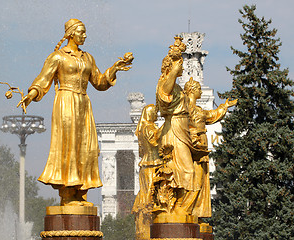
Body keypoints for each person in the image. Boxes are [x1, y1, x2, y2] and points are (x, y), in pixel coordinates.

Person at [18, 19, 133, 206]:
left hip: (84, 104)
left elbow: (100, 83)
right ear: (71, 33)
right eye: (81, 32)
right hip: (65, 102)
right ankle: (67, 193)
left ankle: (80, 192)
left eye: (85, 32)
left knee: (86, 147)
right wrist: (30, 96)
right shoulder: (58, 57)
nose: (85, 35)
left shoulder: (88, 58)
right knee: (68, 145)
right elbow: (43, 80)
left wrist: (114, 68)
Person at [155, 37, 199, 215]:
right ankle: (175, 210)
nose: (182, 67)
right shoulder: (165, 84)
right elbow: (165, 95)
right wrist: (175, 63)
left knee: (184, 172)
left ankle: (178, 209)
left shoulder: (178, 89)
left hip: (181, 130)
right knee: (185, 171)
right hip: (173, 131)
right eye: (180, 64)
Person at [184, 77, 237, 217]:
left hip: (201, 146)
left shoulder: (198, 110)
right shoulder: (183, 109)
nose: (201, 91)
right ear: (192, 90)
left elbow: (211, 116)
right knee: (194, 178)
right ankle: (185, 209)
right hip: (191, 146)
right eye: (198, 89)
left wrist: (224, 106)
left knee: (200, 179)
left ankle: (193, 211)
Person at [132, 104, 161, 240]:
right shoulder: (149, 128)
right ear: (150, 114)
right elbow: (155, 142)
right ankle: (147, 228)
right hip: (152, 165)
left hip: (147, 166)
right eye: (155, 112)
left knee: (146, 195)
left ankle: (144, 227)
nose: (157, 114)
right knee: (150, 196)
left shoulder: (143, 127)